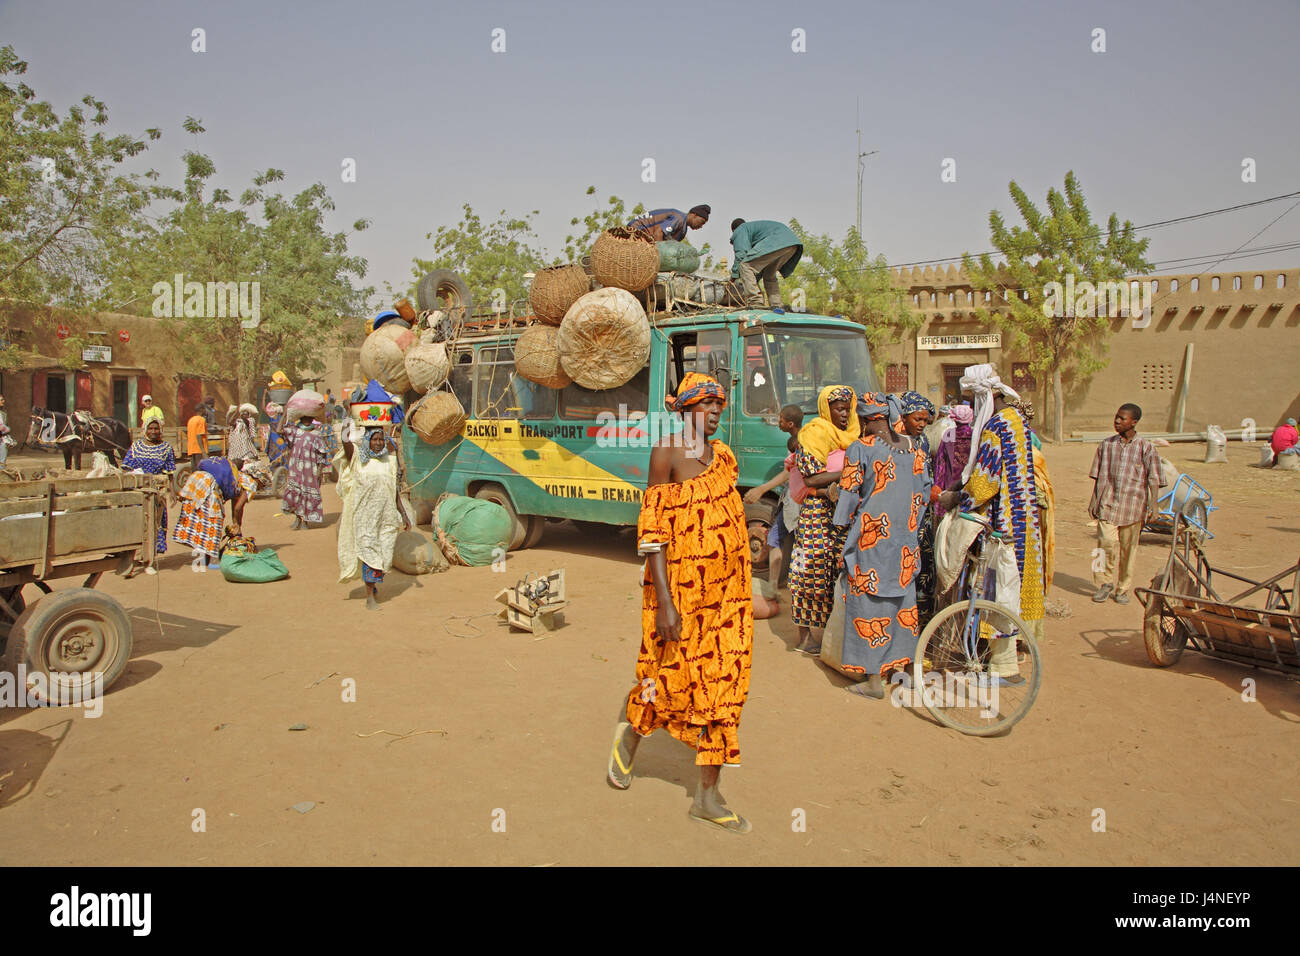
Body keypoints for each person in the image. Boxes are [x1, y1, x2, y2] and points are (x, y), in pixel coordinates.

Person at [607, 373, 754, 833]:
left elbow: (727, 513)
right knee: (664, 678)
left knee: (725, 690)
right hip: (680, 597)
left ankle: (706, 797)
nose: (713, 412)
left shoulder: (724, 458)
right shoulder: (667, 452)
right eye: (705, 404)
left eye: (719, 405)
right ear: (685, 409)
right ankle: (631, 736)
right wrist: (666, 605)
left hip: (729, 600)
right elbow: (652, 535)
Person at [937, 364, 1045, 674]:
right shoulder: (1018, 422)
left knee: (996, 589)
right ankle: (1007, 657)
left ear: (987, 395)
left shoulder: (997, 427)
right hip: (1025, 519)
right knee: (1013, 587)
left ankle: (1002, 664)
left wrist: (956, 498)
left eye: (973, 397)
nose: (971, 404)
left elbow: (985, 483)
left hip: (1003, 523)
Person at [833, 392, 934, 699]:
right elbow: (924, 493)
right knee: (902, 605)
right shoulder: (914, 450)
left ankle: (873, 679)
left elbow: (848, 496)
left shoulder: (860, 449)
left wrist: (839, 525)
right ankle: (903, 672)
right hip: (904, 542)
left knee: (868, 605)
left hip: (871, 541)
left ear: (864, 420)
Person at [789, 385, 859, 654]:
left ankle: (832, 636)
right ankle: (805, 638)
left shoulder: (853, 434)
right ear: (825, 408)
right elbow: (810, 478)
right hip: (817, 514)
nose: (844, 414)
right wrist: (847, 472)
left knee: (837, 574)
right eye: (839, 409)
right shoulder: (814, 433)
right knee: (808, 574)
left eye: (847, 409)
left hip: (844, 515)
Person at [1088, 403, 1163, 605]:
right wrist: (1094, 500)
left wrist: (1154, 505)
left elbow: (1154, 478)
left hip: (1133, 507)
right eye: (1116, 417)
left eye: (1122, 418)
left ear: (1134, 422)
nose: (1117, 421)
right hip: (1108, 504)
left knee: (1129, 550)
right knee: (1104, 545)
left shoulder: (1146, 448)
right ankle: (1104, 584)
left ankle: (1122, 588)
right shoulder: (1106, 445)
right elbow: (1097, 475)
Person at [336, 424, 410, 610]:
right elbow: (346, 441)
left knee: (384, 555)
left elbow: (394, 491)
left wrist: (403, 514)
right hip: (365, 516)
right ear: (367, 441)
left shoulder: (389, 462)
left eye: (380, 439)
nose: (377, 443)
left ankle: (372, 585)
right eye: (374, 439)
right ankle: (370, 597)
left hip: (386, 517)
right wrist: (348, 421)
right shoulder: (358, 459)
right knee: (369, 553)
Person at [743, 405, 806, 589]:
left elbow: (788, 473)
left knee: (786, 541)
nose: (777, 423)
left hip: (798, 502)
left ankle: (786, 586)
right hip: (791, 501)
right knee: (775, 539)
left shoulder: (802, 443)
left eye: (780, 420)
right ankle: (773, 585)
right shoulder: (798, 440)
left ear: (790, 423)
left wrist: (762, 489)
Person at [896, 391, 938, 626]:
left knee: (925, 562)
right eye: (917, 419)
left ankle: (923, 624)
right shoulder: (896, 442)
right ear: (904, 417)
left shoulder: (923, 441)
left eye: (924, 420)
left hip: (924, 513)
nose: (921, 424)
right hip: (903, 514)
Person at [122, 418, 177, 576]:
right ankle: (131, 563)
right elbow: (126, 468)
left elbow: (170, 473)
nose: (153, 431)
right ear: (145, 429)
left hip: (157, 494)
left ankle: (149, 561)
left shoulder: (166, 448)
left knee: (154, 527)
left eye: (156, 428)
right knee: (137, 527)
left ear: (160, 430)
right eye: (150, 428)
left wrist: (172, 493)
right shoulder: (136, 446)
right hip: (137, 493)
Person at [174, 457, 249, 568]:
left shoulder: (217, 460)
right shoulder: (236, 475)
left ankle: (205, 556)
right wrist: (236, 523)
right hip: (207, 488)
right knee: (214, 522)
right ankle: (213, 560)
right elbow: (234, 500)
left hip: (194, 483)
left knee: (199, 521)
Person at [728, 219, 803, 311]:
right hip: (792, 243)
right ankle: (776, 304)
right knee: (769, 274)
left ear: (734, 230)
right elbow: (757, 266)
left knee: (745, 265)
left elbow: (741, 255)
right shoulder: (754, 230)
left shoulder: (740, 229)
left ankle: (755, 301)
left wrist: (733, 277)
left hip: (777, 241)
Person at [279, 414, 330, 531]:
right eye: (304, 419)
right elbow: (278, 430)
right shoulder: (295, 431)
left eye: (309, 419)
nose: (306, 421)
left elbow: (322, 453)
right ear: (300, 419)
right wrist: (285, 412)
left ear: (312, 419)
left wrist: (319, 469)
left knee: (307, 493)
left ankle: (305, 521)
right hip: (295, 468)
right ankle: (297, 518)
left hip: (310, 470)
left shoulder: (316, 434)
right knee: (296, 492)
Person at [932, 404, 973, 520]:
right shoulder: (975, 435)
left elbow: (940, 465)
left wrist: (938, 488)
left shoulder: (949, 434)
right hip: (969, 486)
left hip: (950, 485)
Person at [627, 205, 710, 243]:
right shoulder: (679, 218)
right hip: (636, 230)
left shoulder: (683, 231)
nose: (701, 226)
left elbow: (670, 246)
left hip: (647, 237)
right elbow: (658, 233)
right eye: (702, 222)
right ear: (694, 215)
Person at [227, 404, 260, 471]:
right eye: (243, 413)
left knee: (247, 465)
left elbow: (246, 421)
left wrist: (241, 413)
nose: (244, 415)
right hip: (236, 448)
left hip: (246, 448)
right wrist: (237, 412)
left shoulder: (250, 420)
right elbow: (230, 422)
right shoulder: (237, 422)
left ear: (249, 415)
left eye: (246, 414)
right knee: (233, 465)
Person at [186, 404, 209, 471]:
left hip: (191, 449)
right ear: (201, 410)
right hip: (199, 450)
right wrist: (203, 452)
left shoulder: (191, 420)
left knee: (194, 470)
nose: (205, 411)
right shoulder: (201, 420)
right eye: (204, 409)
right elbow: (199, 435)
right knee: (201, 470)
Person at [0, 395, 10, 468]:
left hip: (2, 440)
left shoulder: (3, 413)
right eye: (1, 400)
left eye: (3, 400)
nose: (3, 401)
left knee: (2, 462)